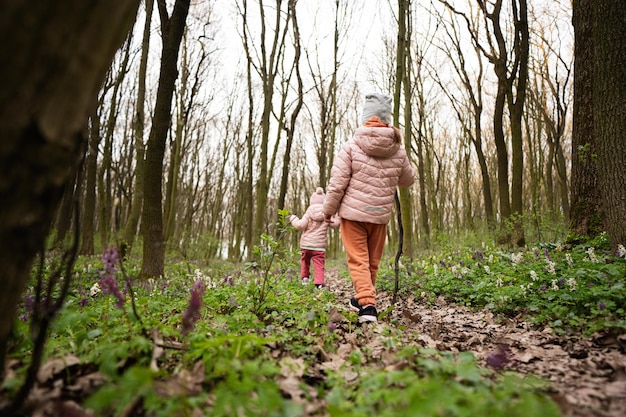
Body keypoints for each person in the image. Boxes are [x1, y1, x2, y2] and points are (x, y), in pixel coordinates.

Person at [323, 93, 415, 323]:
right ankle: (362, 298)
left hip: (353, 215)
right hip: (380, 216)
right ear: (387, 118)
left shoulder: (352, 146)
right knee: (371, 262)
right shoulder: (397, 148)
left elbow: (337, 184)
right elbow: (408, 180)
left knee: (358, 261)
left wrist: (328, 210)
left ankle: (367, 307)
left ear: (365, 116)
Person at [289, 187, 340, 289]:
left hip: (306, 244)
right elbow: (335, 224)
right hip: (319, 246)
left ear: (312, 201)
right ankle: (319, 283)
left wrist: (293, 218)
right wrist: (338, 216)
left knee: (305, 261)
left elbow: (300, 225)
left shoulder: (308, 212)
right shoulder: (327, 213)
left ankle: (305, 278)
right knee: (319, 265)